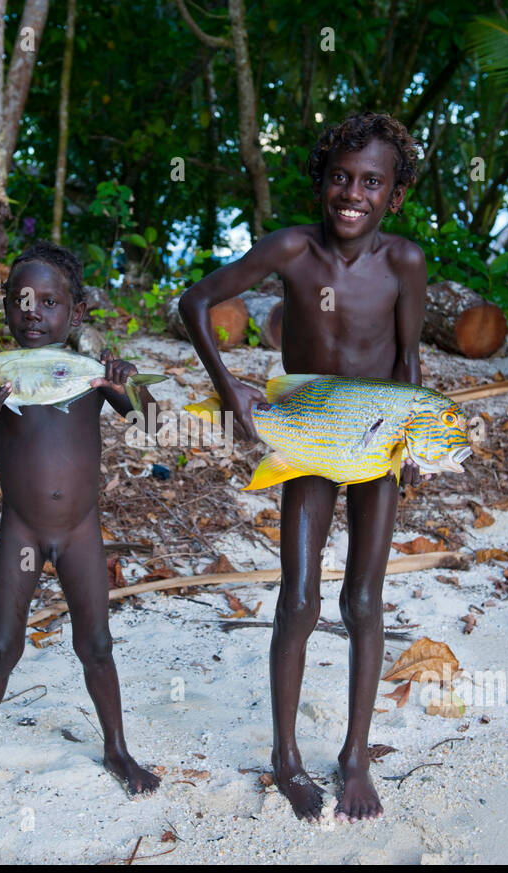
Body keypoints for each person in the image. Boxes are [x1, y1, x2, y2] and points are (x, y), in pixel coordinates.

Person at [178, 113, 425, 822]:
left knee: (365, 602)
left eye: (371, 182)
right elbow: (196, 302)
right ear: (321, 181)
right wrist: (231, 393)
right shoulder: (292, 250)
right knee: (299, 598)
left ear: (394, 194)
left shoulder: (404, 263)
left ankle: (355, 756)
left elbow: (408, 361)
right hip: (311, 441)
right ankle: (286, 758)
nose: (353, 193)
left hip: (376, 443)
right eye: (341, 178)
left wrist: (408, 445)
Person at [0, 241, 160, 815]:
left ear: (75, 312)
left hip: (81, 531)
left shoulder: (85, 376)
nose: (32, 311)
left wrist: (128, 386)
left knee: (97, 645)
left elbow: (150, 424)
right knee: (2, 646)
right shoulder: (0, 377)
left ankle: (116, 749)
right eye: (20, 301)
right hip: (23, 532)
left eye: (49, 301)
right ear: (7, 307)